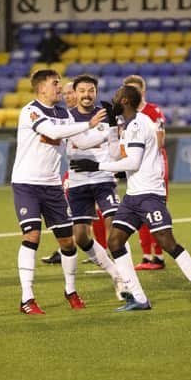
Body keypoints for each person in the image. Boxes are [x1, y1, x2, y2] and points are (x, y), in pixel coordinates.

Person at [70, 85, 191, 312]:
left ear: (126, 101)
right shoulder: (128, 125)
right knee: (115, 241)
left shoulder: (140, 124)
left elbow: (133, 163)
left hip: (149, 194)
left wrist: (96, 165)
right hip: (133, 195)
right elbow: (114, 154)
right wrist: (111, 127)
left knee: (167, 242)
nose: (113, 99)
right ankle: (139, 298)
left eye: (118, 96)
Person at [11, 69, 106, 314]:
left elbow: (79, 141)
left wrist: (106, 132)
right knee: (31, 236)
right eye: (55, 84)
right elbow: (52, 132)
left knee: (67, 241)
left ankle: (71, 291)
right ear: (41, 88)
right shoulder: (30, 111)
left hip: (52, 186)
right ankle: (27, 298)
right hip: (27, 184)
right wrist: (88, 123)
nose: (61, 88)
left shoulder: (64, 114)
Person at [65, 74, 125, 298]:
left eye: (91, 90)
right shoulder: (66, 118)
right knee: (80, 237)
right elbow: (71, 149)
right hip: (78, 181)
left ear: (96, 92)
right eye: (82, 91)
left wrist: (110, 131)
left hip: (103, 179)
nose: (87, 95)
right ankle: (114, 272)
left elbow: (114, 151)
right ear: (75, 94)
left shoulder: (107, 115)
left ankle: (126, 280)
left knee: (115, 230)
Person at [41, 80, 110, 265]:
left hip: (101, 175)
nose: (69, 97)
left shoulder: (102, 114)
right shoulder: (65, 118)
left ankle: (114, 259)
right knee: (78, 226)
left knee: (108, 220)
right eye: (66, 94)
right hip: (76, 176)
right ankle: (70, 249)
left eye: (71, 92)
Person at [123, 75, 168, 270]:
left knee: (154, 210)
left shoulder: (153, 111)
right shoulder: (125, 114)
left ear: (143, 92)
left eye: (134, 90)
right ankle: (147, 256)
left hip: (152, 167)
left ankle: (158, 256)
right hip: (134, 168)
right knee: (138, 210)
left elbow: (160, 141)